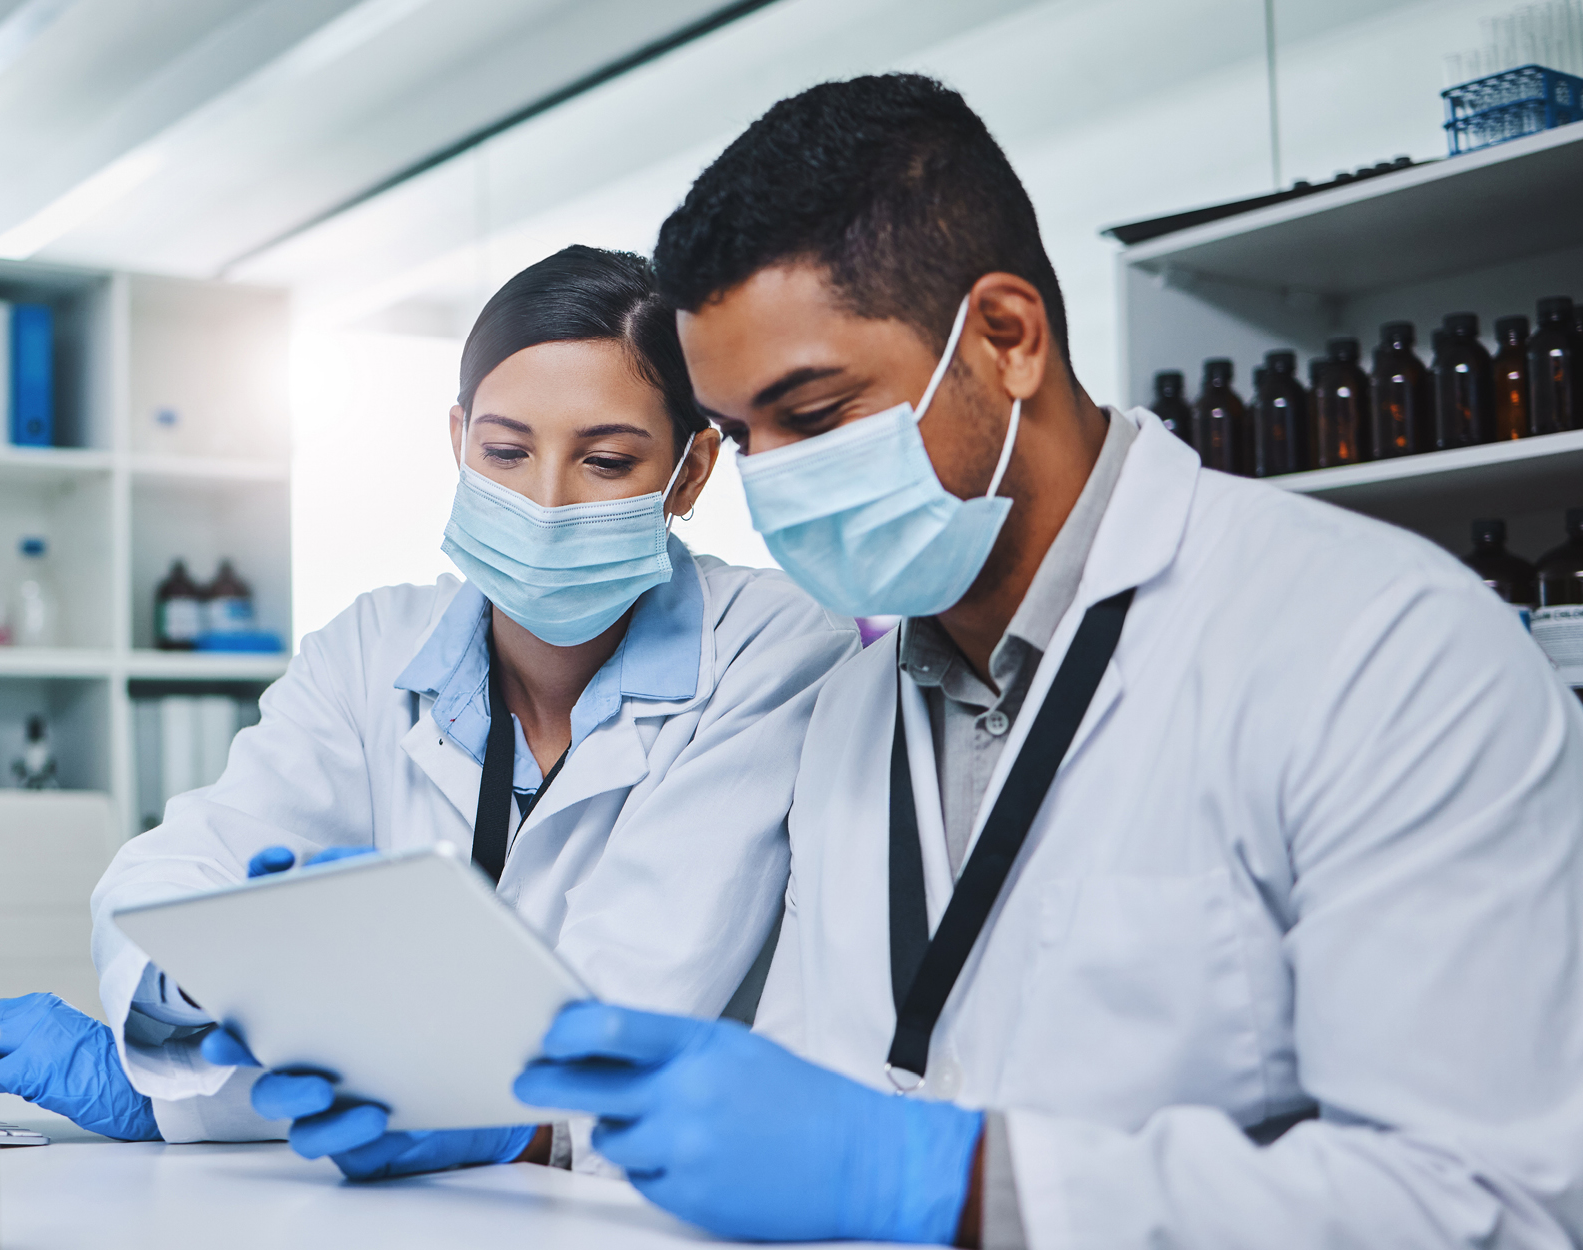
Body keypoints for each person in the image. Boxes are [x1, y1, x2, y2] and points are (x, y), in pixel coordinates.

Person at [514, 75, 1583, 1247]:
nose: (772, 485)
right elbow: (829, 1079)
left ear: (1008, 338)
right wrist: (519, 1125)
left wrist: (956, 1178)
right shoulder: (856, 704)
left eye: (813, 416)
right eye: (742, 435)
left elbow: (1479, 1200)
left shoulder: (1384, 648)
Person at [0, 246, 859, 1172]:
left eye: (607, 461)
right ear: (458, 438)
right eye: (504, 452)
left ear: (693, 470)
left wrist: (247, 1078)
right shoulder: (372, 646)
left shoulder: (770, 649)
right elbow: (190, 862)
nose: (543, 503)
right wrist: (200, 989)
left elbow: (620, 1022)